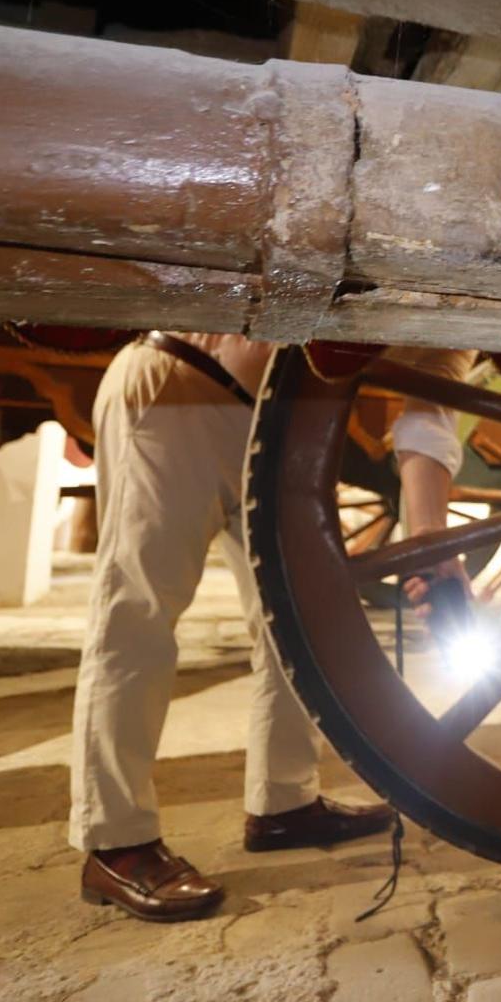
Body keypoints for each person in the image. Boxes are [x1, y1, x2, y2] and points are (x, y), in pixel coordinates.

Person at [69, 332, 466, 922]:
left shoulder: (468, 322)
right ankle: (115, 842)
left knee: (294, 624)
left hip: (283, 436)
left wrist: (432, 542)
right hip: (183, 387)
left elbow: (426, 418)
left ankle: (284, 803)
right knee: (139, 613)